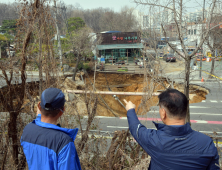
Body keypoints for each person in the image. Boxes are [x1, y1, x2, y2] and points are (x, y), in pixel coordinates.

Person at [124, 89, 219, 170]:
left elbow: (135, 128)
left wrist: (130, 110)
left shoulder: (154, 140)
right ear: (185, 111)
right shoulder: (206, 143)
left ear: (163, 113)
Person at [21, 88, 81, 170]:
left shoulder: (28, 130)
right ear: (62, 111)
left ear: (39, 106)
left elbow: (41, 127)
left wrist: (39, 115)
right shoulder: (63, 142)